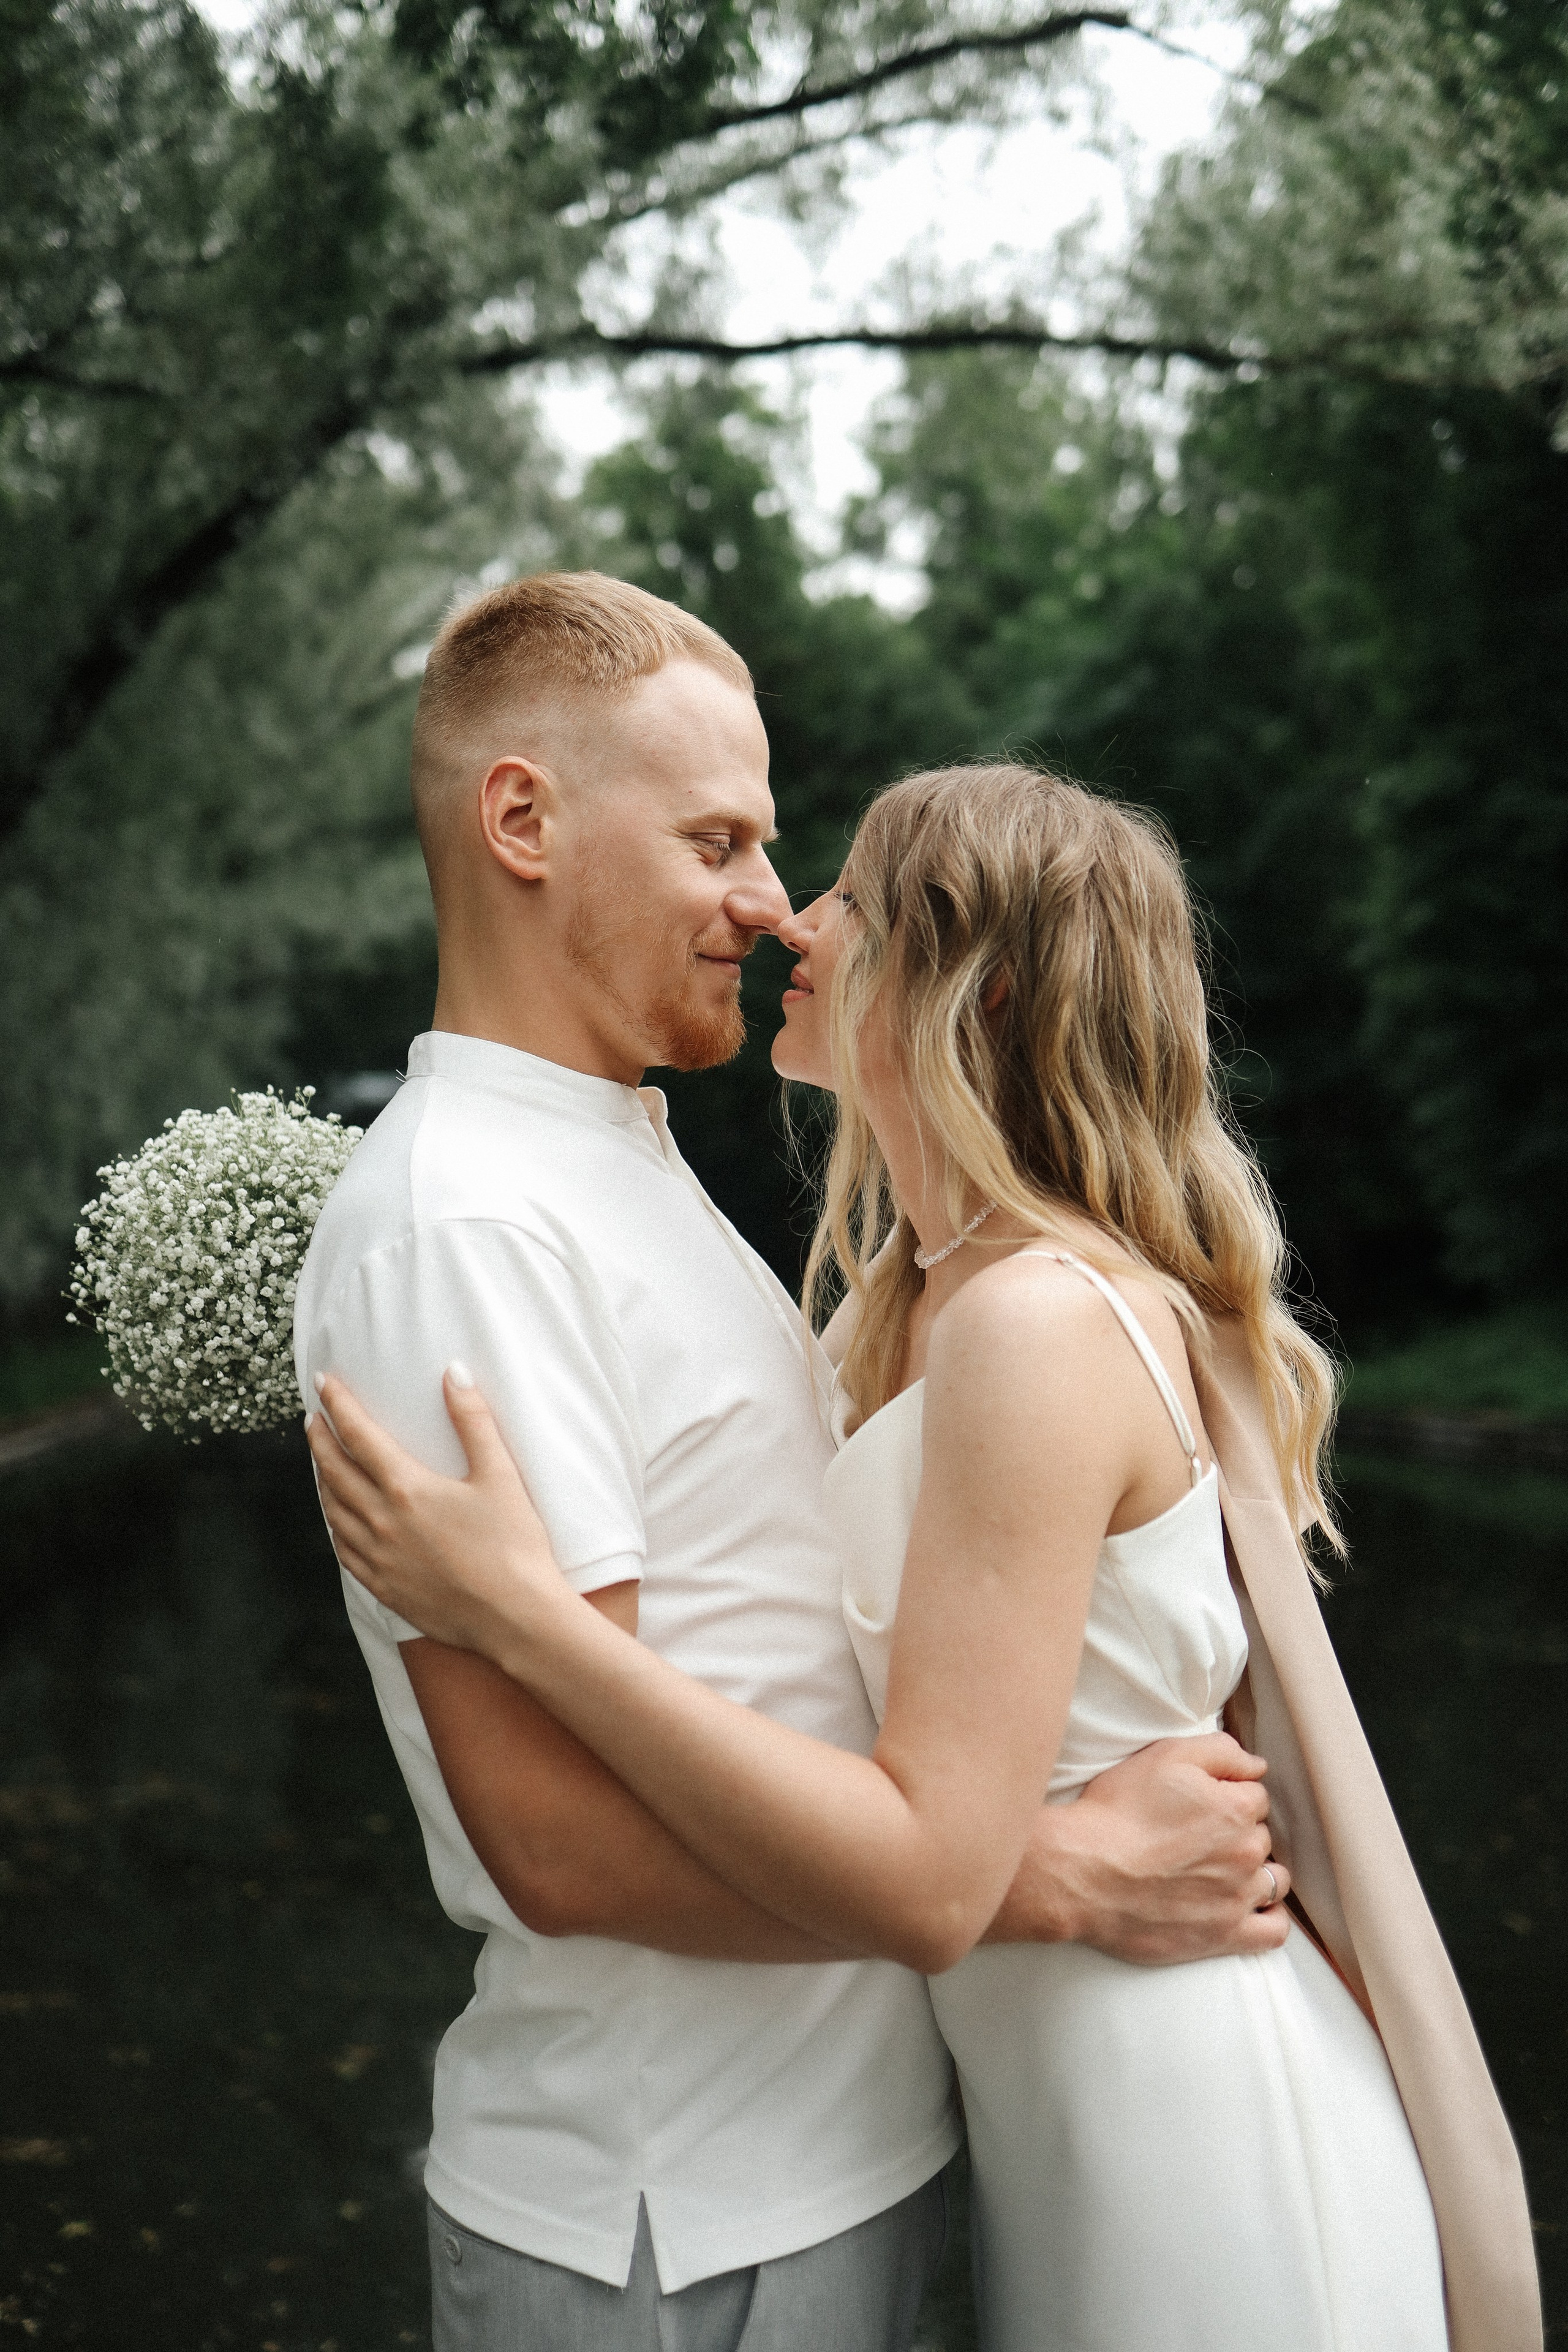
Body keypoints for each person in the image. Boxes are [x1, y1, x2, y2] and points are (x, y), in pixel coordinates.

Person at [309, 763, 1460, 2349]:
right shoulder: (895, 1313)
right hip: (1041, 2100)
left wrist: (522, 1614)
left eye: (842, 890)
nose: (793, 911)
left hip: (1179, 2097)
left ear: (968, 990)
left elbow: (930, 1863)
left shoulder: (1034, 1325)